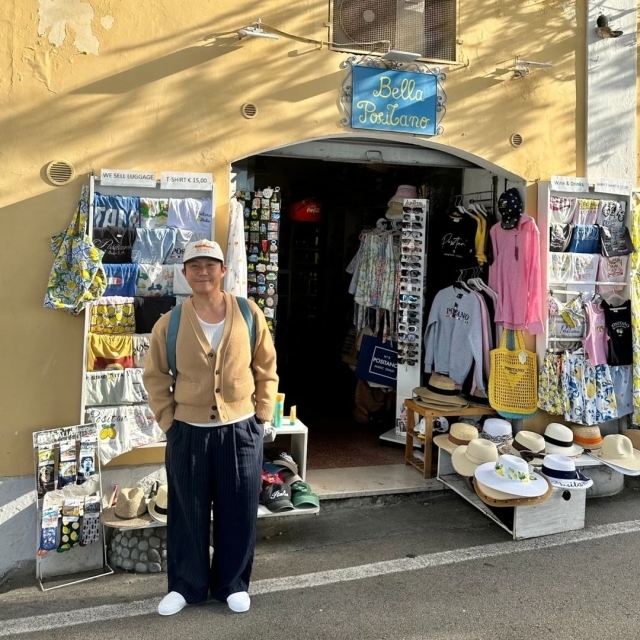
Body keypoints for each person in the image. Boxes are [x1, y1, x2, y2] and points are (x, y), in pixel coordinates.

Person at [144, 239, 278, 616]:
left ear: (223, 271)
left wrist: (263, 414)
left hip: (240, 429)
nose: (203, 272)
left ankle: (232, 583)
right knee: (188, 511)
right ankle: (186, 586)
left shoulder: (248, 312)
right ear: (184, 274)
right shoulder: (169, 323)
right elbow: (155, 376)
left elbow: (266, 367)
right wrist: (169, 422)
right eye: (195, 266)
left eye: (210, 265)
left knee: (238, 509)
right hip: (188, 431)